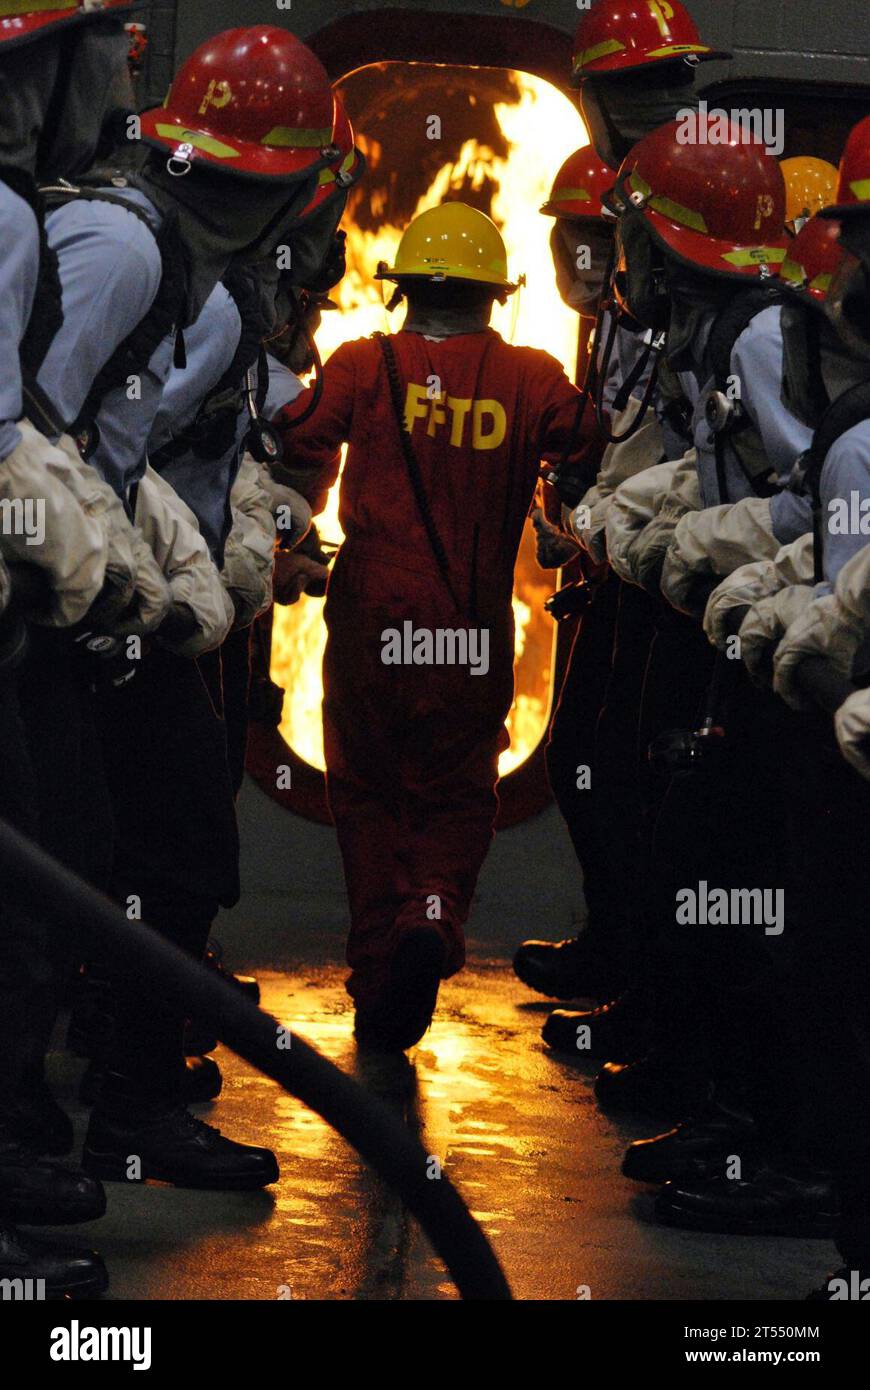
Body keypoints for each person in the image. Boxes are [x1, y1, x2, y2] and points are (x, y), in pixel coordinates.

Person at [275, 201, 594, 1050]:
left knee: (367, 794)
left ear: (404, 290)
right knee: (456, 794)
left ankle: (378, 973)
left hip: (373, 629)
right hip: (471, 635)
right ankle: (434, 911)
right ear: (498, 296)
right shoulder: (531, 377)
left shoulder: (359, 364)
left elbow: (294, 434)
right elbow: (590, 441)